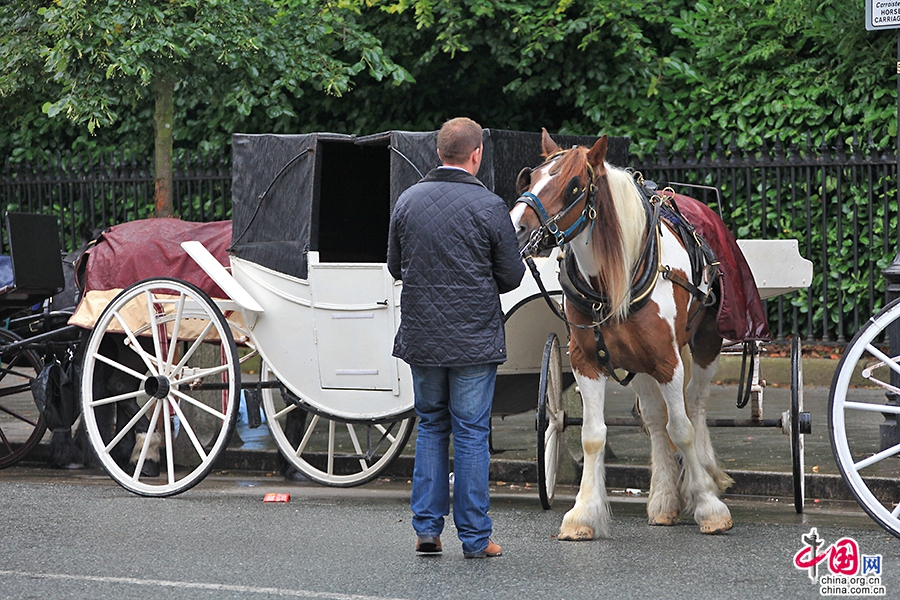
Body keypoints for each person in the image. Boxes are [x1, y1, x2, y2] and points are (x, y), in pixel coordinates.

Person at [387, 117, 525, 559]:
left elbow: (394, 266)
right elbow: (512, 276)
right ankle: (476, 539)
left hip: (423, 335)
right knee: (470, 432)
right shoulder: (490, 206)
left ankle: (427, 531)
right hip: (473, 338)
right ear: (476, 154)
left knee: (430, 424)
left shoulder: (407, 200)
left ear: (438, 152)